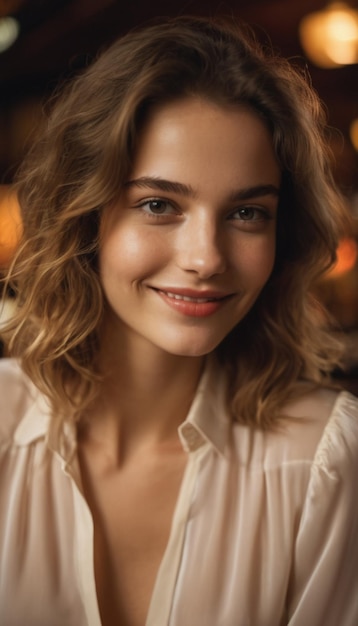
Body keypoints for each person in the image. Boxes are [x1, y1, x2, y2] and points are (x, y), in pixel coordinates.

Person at [0, 15, 357, 626]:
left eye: (247, 212)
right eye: (159, 204)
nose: (206, 258)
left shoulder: (325, 461)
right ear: (83, 216)